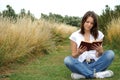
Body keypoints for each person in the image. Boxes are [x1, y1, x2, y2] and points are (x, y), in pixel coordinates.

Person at [64, 11, 115, 79]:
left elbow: (98, 55)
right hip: (81, 64)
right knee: (67, 60)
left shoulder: (99, 34)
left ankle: (83, 74)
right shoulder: (74, 35)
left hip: (96, 63)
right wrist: (79, 53)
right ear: (83, 21)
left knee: (110, 53)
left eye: (92, 23)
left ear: (94, 24)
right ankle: (96, 74)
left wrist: (100, 51)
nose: (89, 25)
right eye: (87, 22)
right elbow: (73, 55)